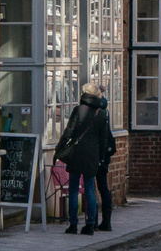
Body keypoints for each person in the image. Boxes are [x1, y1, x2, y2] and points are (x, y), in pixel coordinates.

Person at [55, 84, 114, 235]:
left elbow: (68, 132)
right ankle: (90, 225)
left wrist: (59, 148)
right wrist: (101, 158)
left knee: (73, 189)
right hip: (92, 155)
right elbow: (103, 139)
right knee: (90, 190)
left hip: (76, 154)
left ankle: (73, 224)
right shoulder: (101, 113)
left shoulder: (78, 110)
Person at [92, 89, 115, 232]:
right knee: (103, 187)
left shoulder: (95, 112)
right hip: (104, 153)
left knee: (91, 187)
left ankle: (93, 221)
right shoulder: (104, 111)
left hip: (95, 153)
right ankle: (106, 221)